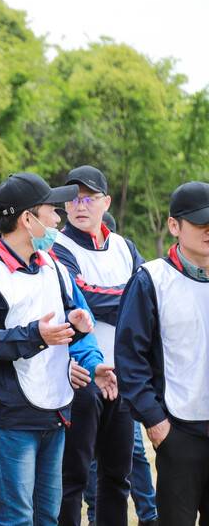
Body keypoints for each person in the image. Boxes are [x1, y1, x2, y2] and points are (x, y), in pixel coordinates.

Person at [0, 172, 116, 525]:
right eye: (51, 211)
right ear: (27, 218)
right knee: (13, 516)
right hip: (6, 416)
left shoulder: (53, 266)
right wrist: (36, 336)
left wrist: (93, 361)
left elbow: (79, 322)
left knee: (47, 515)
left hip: (54, 412)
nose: (58, 220)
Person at [51, 166, 144, 526]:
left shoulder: (124, 247)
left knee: (117, 477)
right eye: (73, 197)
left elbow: (143, 299)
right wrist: (126, 297)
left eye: (89, 197)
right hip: (80, 376)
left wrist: (121, 300)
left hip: (121, 376)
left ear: (106, 202)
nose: (80, 205)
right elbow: (80, 300)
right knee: (72, 477)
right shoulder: (60, 247)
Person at [115, 181, 209, 526]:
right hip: (178, 431)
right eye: (201, 224)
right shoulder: (151, 280)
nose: (208, 232)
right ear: (174, 226)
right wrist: (156, 422)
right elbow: (129, 358)